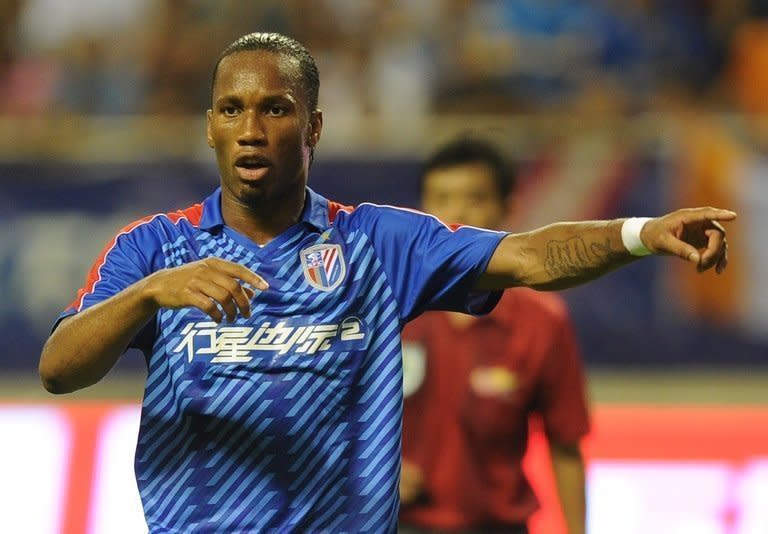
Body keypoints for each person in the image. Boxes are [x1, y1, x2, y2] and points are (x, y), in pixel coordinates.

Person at [38, 32, 733, 533]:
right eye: (231, 110)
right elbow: (59, 370)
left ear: (313, 127)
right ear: (210, 128)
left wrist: (641, 234)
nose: (251, 129)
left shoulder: (376, 243)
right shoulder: (153, 248)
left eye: (274, 110)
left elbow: (529, 257)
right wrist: (149, 293)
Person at [399, 137, 589, 534]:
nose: (455, 212)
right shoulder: (388, 303)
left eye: (475, 198)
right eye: (441, 198)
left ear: (508, 209)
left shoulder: (542, 322)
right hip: (399, 523)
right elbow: (329, 410)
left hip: (498, 526)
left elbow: (566, 443)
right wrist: (368, 471)